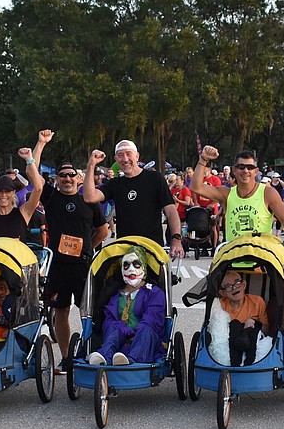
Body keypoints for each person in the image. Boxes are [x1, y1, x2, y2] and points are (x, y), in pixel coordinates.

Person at [37, 160, 108, 373]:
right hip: (58, 266)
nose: (67, 179)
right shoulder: (51, 197)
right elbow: (33, 175)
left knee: (89, 311)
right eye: (63, 175)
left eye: (71, 175)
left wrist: (87, 249)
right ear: (57, 179)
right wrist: (37, 149)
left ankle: (90, 352)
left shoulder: (88, 200)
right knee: (61, 310)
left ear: (78, 178)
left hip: (82, 266)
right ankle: (66, 357)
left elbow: (103, 231)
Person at [191, 146, 284, 256]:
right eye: (241, 167)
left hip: (262, 256)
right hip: (233, 256)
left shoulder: (268, 193)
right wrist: (203, 159)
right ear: (234, 170)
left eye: (250, 167)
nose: (245, 171)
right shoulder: (226, 194)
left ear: (256, 171)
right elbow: (196, 187)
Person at [82, 140, 184, 259]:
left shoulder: (155, 179)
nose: (125, 159)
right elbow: (89, 197)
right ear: (116, 159)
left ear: (137, 156)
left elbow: (171, 211)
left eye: (128, 154)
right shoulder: (114, 184)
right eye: (120, 155)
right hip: (125, 250)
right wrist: (91, 165)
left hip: (152, 248)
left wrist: (176, 238)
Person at [88, 246, 166, 365]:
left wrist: (134, 333)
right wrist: (124, 330)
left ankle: (131, 361)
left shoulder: (154, 293)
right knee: (112, 327)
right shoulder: (114, 295)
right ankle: (104, 357)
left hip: (146, 340)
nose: (131, 269)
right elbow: (109, 319)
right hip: (119, 339)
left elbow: (152, 320)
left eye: (136, 264)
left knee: (146, 329)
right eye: (126, 265)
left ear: (144, 267)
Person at [218, 270, 269, 367]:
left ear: (244, 285)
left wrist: (255, 323)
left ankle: (249, 366)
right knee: (235, 324)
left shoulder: (257, 302)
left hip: (253, 342)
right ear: (223, 293)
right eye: (228, 286)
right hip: (230, 344)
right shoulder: (220, 305)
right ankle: (235, 366)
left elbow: (268, 330)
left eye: (237, 283)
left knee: (253, 331)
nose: (234, 288)